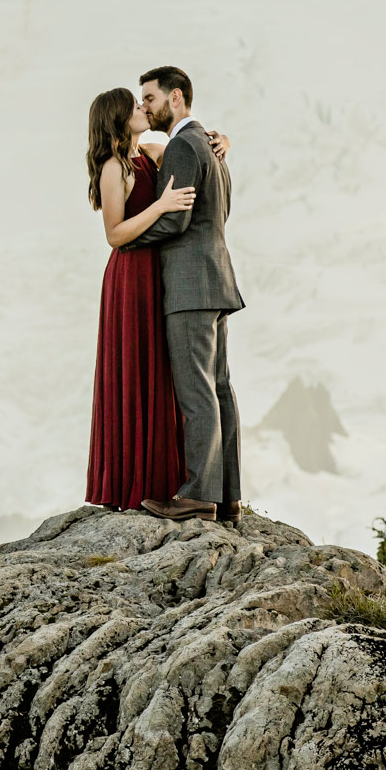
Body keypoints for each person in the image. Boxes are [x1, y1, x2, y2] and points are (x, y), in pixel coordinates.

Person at [125, 65, 244, 523]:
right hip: (218, 278)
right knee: (219, 388)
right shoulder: (213, 150)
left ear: (175, 98)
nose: (146, 106)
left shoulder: (180, 147)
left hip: (189, 285)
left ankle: (197, 496)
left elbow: (175, 219)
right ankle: (227, 496)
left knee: (197, 393)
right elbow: (220, 213)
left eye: (150, 97)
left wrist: (126, 241)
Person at [83, 88, 194, 511]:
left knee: (156, 372)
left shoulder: (146, 151)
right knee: (134, 370)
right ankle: (130, 485)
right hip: (129, 275)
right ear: (117, 116)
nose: (142, 109)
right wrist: (162, 205)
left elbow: (183, 144)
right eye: (134, 106)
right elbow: (115, 233)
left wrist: (225, 141)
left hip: (154, 274)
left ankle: (158, 480)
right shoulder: (114, 167)